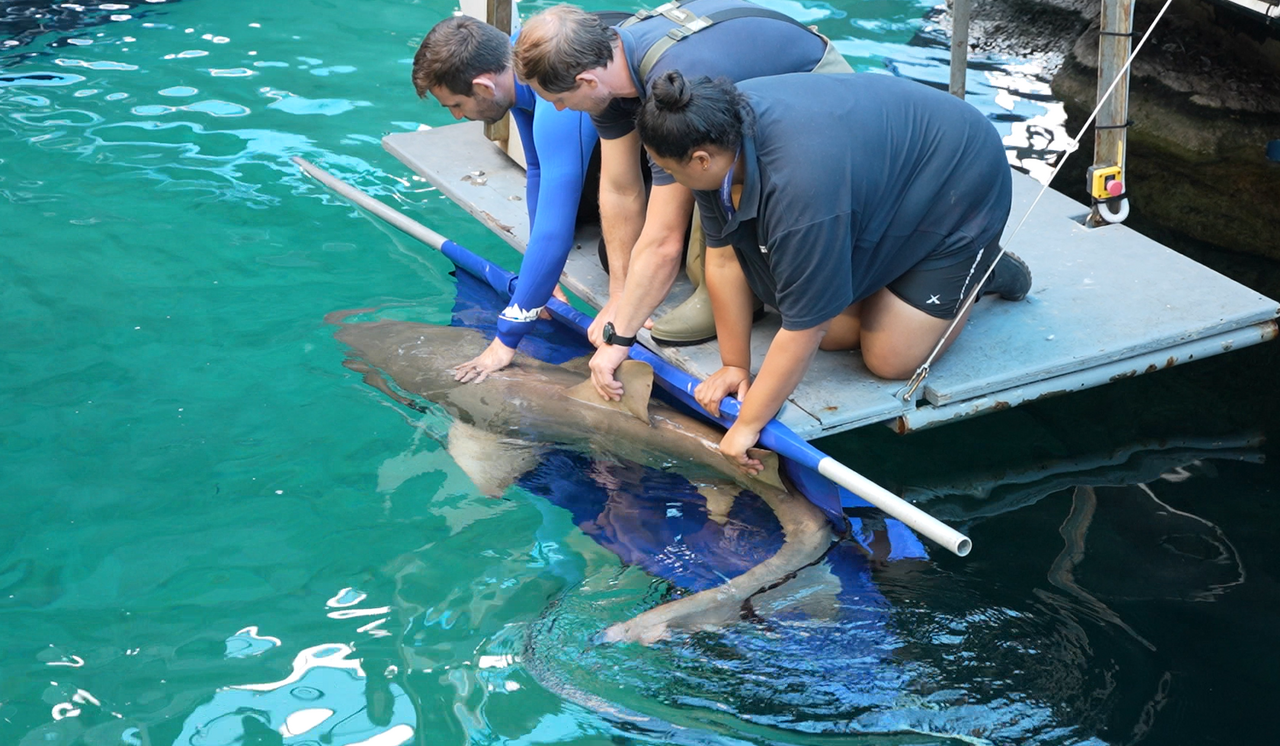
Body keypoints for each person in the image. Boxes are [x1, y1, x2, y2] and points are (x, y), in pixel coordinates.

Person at [633, 71, 1030, 473]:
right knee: (833, 331)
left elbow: (806, 327)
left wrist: (747, 424)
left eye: (667, 170)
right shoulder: (709, 133)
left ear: (701, 159)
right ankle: (903, 286)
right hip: (880, 181)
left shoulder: (798, 193)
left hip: (958, 176)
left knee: (890, 359)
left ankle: (979, 270)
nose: (668, 179)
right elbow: (723, 259)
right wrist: (735, 366)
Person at [513, 1, 852, 394]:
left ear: (587, 80)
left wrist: (619, 339)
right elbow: (621, 188)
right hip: (745, 93)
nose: (556, 108)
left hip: (818, 95)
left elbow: (662, 240)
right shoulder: (612, 68)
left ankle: (732, 292)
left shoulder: (672, 84)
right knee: (640, 240)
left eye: (557, 98)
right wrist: (620, 298)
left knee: (708, 198)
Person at [412, 14, 602, 382]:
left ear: (484, 86)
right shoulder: (513, 57)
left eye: (455, 105)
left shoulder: (555, 104)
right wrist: (543, 276)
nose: (456, 116)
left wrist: (507, 337)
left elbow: (554, 233)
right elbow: (537, 170)